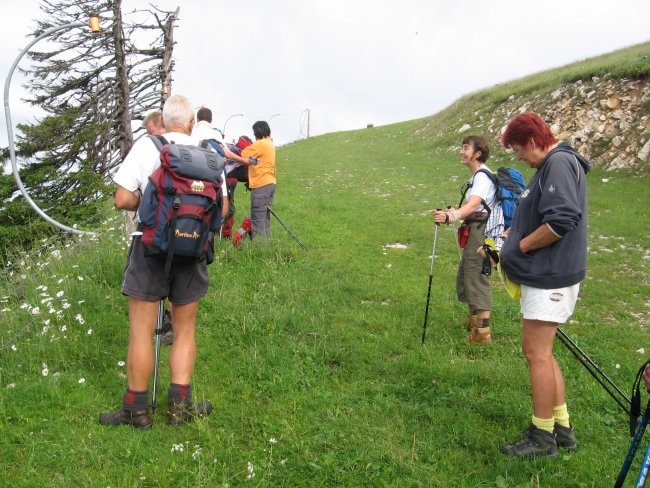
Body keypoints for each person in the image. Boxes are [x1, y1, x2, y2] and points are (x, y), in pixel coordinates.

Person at [99, 94, 228, 428]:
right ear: (189, 123)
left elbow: (122, 198)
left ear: (166, 120)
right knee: (184, 331)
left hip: (150, 249)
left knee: (141, 333)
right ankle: (180, 408)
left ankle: (136, 411)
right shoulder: (210, 156)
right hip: (193, 251)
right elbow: (223, 210)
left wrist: (149, 207)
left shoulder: (147, 147)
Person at [498, 112, 591, 458]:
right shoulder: (551, 166)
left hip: (549, 275)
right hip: (548, 274)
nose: (519, 157)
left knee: (535, 353)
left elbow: (562, 219)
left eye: (519, 149)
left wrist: (521, 246)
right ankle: (562, 426)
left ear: (534, 141)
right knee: (544, 353)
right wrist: (517, 233)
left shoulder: (558, 163)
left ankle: (542, 436)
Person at [434, 135, 502, 344]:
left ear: (478, 153)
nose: (461, 152)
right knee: (467, 273)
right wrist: (455, 212)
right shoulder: (479, 176)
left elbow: (473, 205)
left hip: (482, 233)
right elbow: (475, 206)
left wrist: (452, 216)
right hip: (476, 228)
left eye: (466, 148)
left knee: (476, 276)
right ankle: (474, 321)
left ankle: (483, 334)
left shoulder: (482, 176)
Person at [224, 121, 276, 239]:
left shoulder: (260, 144)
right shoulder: (270, 144)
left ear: (259, 131)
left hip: (260, 184)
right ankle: (264, 244)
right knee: (264, 218)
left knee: (257, 218)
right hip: (270, 183)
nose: (254, 136)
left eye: (254, 132)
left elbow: (243, 154)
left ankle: (258, 248)